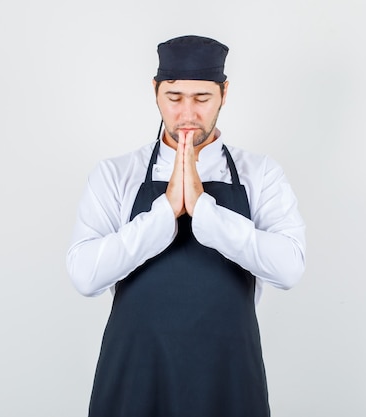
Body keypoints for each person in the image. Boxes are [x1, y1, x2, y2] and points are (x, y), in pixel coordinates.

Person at [66, 34, 306, 417]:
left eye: (202, 99)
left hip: (227, 374)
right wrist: (164, 214)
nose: (187, 115)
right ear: (156, 92)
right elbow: (84, 276)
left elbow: (289, 268)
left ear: (224, 93)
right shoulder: (116, 174)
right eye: (174, 98)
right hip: (136, 373)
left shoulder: (260, 175)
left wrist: (204, 211)